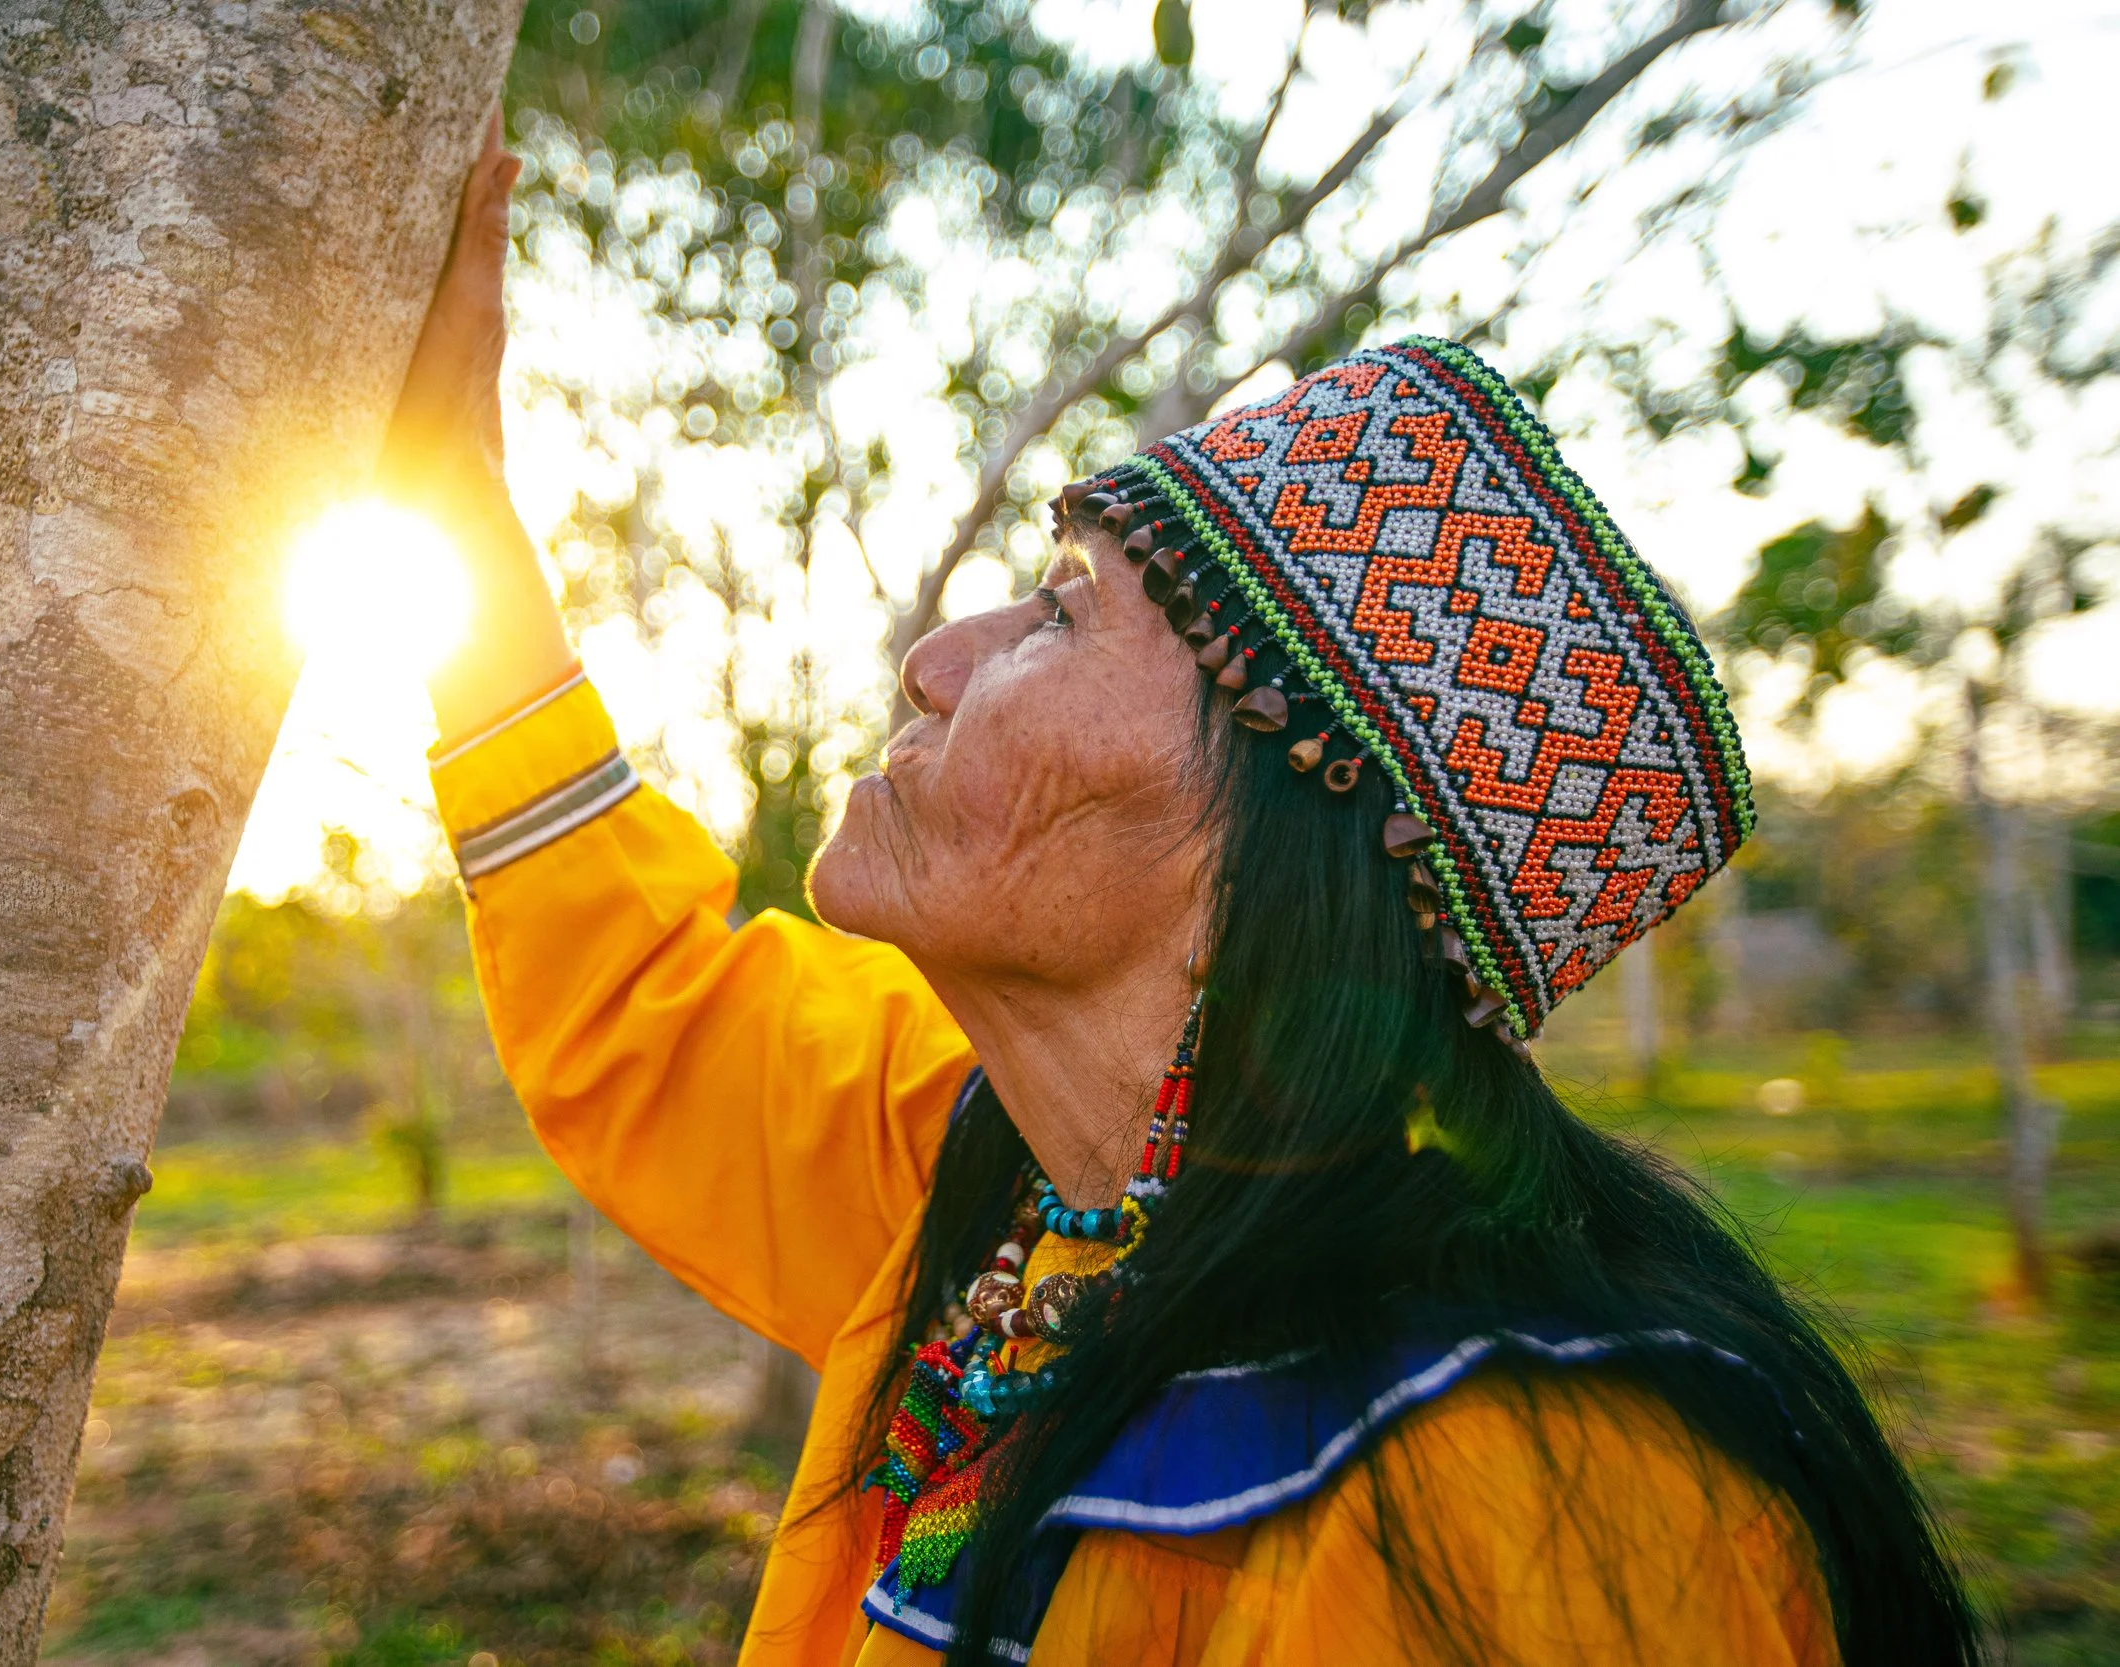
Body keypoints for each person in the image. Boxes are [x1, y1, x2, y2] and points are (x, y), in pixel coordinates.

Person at [385, 121, 1979, 1666]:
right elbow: (658, 1009)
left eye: (1062, 617)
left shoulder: (1530, 1502)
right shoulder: (1007, 1190)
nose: (935, 664)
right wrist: (452, 514)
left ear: (1274, 838)